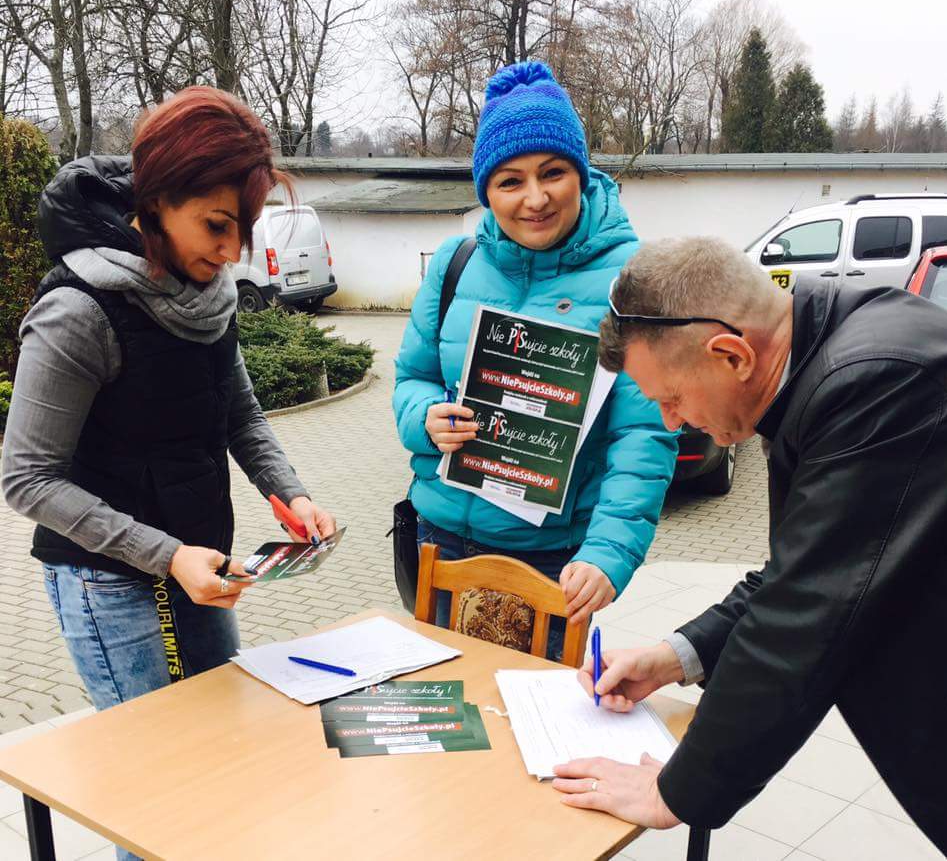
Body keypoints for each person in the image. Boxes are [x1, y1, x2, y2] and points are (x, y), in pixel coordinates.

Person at [552, 237, 947, 858]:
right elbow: (803, 569)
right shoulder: (827, 356)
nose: (669, 422)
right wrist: (674, 657)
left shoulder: (875, 383)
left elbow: (803, 621)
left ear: (732, 355)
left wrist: (674, 792)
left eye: (671, 398)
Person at [2, 86, 335, 713]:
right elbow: (27, 481)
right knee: (156, 765)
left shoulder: (212, 295)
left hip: (198, 560)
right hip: (106, 576)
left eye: (244, 230)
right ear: (155, 202)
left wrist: (291, 494)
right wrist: (166, 555)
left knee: (222, 731)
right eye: (216, 226)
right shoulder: (77, 311)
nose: (233, 253)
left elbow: (239, 412)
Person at [393, 61, 677, 654]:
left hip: (552, 559)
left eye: (553, 173)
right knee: (450, 720)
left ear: (582, 172)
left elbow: (643, 436)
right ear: (486, 190)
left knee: (533, 727)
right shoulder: (456, 263)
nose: (536, 198)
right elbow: (412, 378)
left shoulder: (632, 279)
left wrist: (607, 554)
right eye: (510, 181)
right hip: (438, 542)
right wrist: (424, 419)